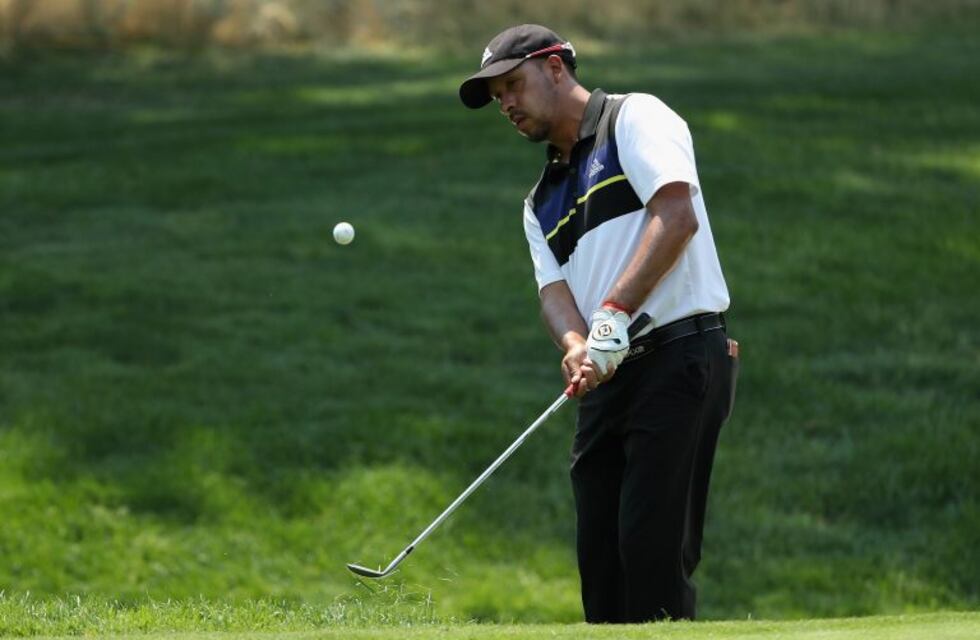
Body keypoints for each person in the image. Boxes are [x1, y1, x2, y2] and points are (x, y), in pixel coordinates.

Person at [458, 24, 739, 623]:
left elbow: (676, 214)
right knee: (602, 565)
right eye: (496, 97)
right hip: (606, 379)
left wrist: (611, 313)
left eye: (512, 84)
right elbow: (553, 290)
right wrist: (575, 342)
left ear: (556, 67)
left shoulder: (636, 119)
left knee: (650, 554)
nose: (505, 103)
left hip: (678, 356)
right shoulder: (540, 200)